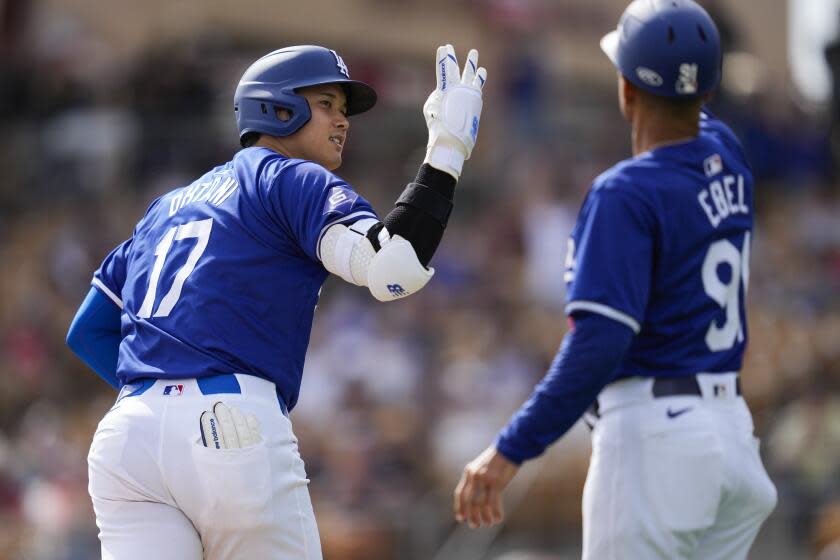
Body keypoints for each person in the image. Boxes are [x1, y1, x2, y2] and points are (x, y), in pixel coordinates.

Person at [66, 44, 486, 559]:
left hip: (128, 435)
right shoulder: (289, 178)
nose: (343, 120)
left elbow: (87, 330)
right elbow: (393, 270)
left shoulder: (166, 207)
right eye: (328, 102)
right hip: (228, 426)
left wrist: (165, 397)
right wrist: (446, 152)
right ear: (278, 108)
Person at [453, 2, 777, 558]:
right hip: (731, 438)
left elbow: (599, 343)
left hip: (658, 445)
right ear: (706, 92)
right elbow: (700, 116)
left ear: (626, 89)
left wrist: (508, 450)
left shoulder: (624, 193)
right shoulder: (730, 156)